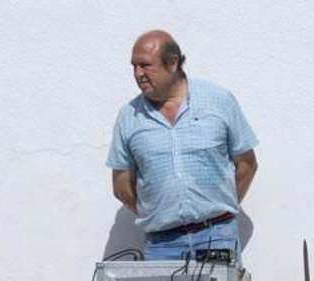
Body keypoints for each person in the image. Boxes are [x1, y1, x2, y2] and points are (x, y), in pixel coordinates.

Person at [107, 30, 258, 262]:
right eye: (134, 66)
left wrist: (219, 206)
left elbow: (247, 164)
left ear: (173, 62)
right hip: (161, 245)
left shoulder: (218, 100)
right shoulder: (129, 117)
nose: (138, 74)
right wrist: (157, 212)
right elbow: (121, 185)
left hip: (216, 236)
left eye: (145, 65)